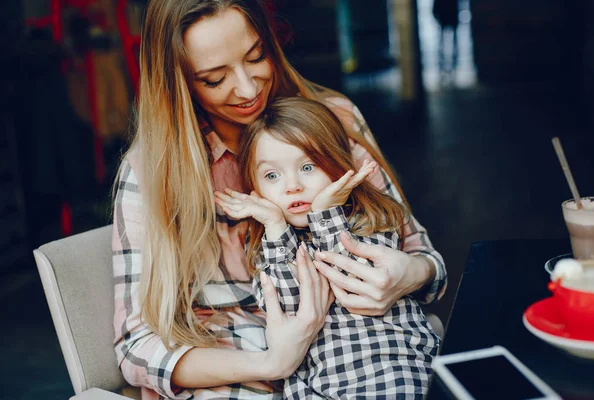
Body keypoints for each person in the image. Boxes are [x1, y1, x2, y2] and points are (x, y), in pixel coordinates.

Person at [112, 0, 447, 399]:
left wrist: (411, 273)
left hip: (365, 363)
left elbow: (423, 256)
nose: (249, 89)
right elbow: (136, 345)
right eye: (215, 79)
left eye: (257, 57)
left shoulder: (335, 120)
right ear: (178, 82)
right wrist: (272, 362)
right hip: (237, 377)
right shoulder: (151, 172)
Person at [215, 97, 441, 398]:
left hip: (394, 373)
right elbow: (288, 305)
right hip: (320, 388)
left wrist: (325, 214)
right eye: (272, 176)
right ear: (255, 189)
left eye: (308, 166)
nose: (292, 185)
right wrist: (275, 226)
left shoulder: (373, 217)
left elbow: (355, 280)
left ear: (336, 166)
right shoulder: (266, 247)